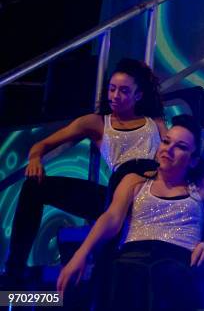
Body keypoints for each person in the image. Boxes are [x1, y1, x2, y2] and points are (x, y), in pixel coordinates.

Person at [2, 58, 167, 286]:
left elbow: (171, 154)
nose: (115, 95)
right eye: (112, 89)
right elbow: (40, 145)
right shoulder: (96, 123)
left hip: (148, 193)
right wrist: (34, 159)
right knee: (33, 186)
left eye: (123, 91)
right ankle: (14, 270)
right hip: (114, 196)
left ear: (138, 96)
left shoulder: (154, 122)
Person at [57, 115, 204, 311]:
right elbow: (111, 218)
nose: (169, 149)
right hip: (133, 256)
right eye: (166, 142)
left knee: (164, 271)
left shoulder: (203, 184)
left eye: (181, 146)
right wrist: (82, 253)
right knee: (119, 269)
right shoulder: (134, 181)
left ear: (193, 161)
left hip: (177, 259)